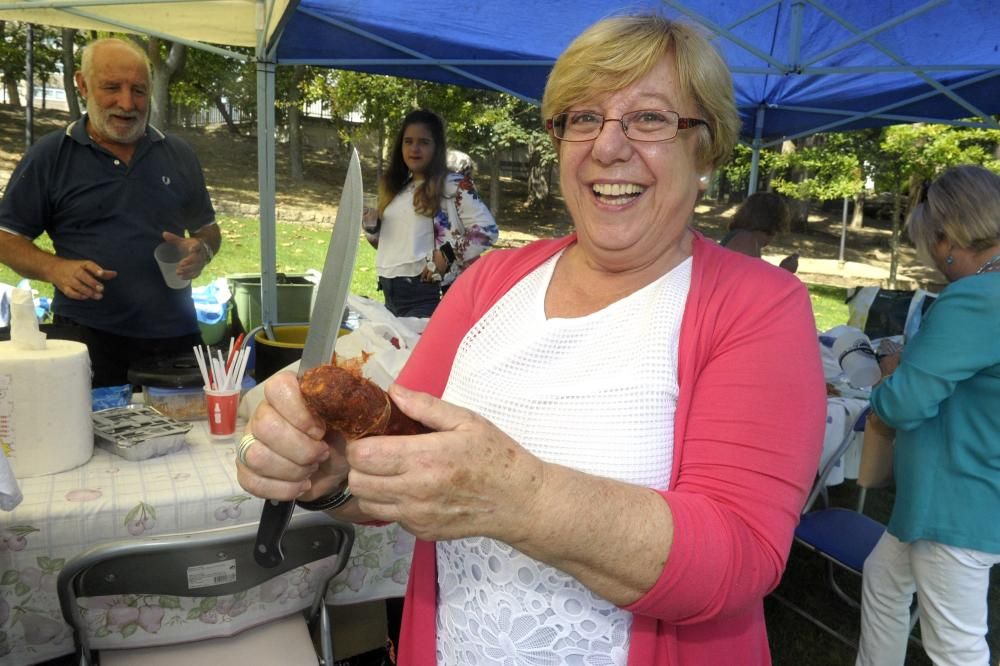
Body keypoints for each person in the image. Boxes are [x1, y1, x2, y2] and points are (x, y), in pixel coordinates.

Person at [238, 14, 825, 665]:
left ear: (705, 149)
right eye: (583, 117)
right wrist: (334, 474)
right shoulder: (492, 283)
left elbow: (739, 556)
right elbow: (397, 454)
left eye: (650, 118)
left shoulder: (758, 306)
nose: (608, 146)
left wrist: (521, 497)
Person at [0, 38, 220, 388]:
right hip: (86, 338)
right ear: (82, 84)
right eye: (111, 88)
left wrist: (202, 250)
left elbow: (208, 228)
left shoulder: (178, 154)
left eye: (139, 91)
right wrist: (54, 268)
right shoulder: (51, 156)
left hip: (175, 336)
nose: (127, 103)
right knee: (85, 436)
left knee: (192, 440)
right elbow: (6, 238)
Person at [856, 165, 1000, 666]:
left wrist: (891, 371)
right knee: (883, 580)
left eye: (931, 245)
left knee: (955, 647)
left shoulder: (976, 299)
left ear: (950, 237)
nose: (935, 261)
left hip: (953, 499)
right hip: (953, 488)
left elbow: (904, 403)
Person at [362, 109, 497, 317]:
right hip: (390, 293)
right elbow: (388, 245)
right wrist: (372, 228)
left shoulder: (453, 185)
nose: (414, 148)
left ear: (436, 147)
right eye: (408, 141)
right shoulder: (398, 188)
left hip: (426, 294)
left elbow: (487, 230)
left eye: (423, 142)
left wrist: (447, 255)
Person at [720, 191, 799, 272]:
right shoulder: (745, 240)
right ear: (774, 222)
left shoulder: (743, 237)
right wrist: (784, 271)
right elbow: (749, 280)